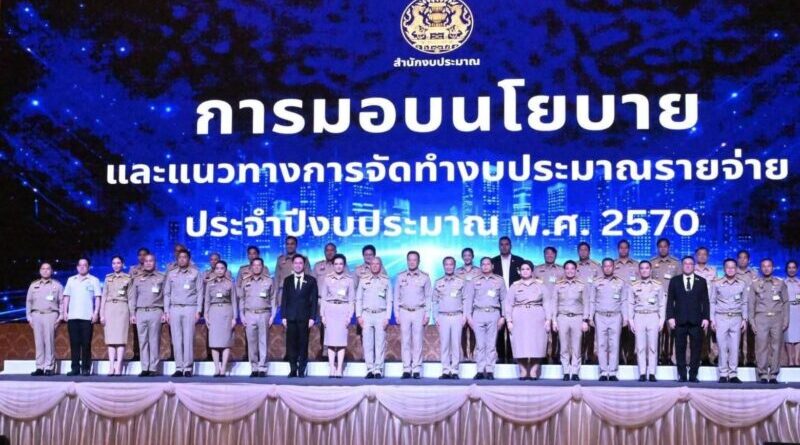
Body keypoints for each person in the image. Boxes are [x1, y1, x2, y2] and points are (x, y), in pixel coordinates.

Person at [666, 256, 710, 383]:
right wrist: (670, 317)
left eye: (690, 263)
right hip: (679, 320)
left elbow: (705, 301)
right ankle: (682, 375)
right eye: (685, 263)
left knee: (696, 349)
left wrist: (706, 318)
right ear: (682, 265)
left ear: (694, 266)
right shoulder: (675, 281)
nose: (688, 265)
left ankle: (693, 375)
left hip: (696, 321)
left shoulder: (701, 281)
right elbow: (670, 301)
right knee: (680, 349)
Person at [505, 260, 550, 380]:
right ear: (519, 271)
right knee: (520, 344)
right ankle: (523, 370)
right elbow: (508, 304)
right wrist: (509, 320)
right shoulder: (514, 286)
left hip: (537, 316)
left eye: (527, 269)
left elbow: (547, 302)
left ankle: (534, 370)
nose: (525, 271)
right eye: (523, 269)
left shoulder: (540, 285)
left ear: (532, 271)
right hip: (519, 316)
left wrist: (548, 319)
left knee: (537, 344)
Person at [164, 249, 204, 377]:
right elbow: (166, 293)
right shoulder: (171, 274)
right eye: (180, 257)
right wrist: (166, 311)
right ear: (177, 259)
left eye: (184, 257)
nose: (182, 259)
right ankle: (178, 367)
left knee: (188, 339)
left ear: (188, 259)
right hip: (174, 308)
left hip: (190, 308)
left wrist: (199, 310)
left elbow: (200, 292)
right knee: (176, 339)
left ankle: (188, 368)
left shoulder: (195, 273)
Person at [709, 258, 750, 383]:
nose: (730, 269)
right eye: (728, 267)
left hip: (736, 318)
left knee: (734, 347)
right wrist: (712, 319)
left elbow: (744, 302)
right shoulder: (717, 283)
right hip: (721, 317)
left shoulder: (742, 284)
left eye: (733, 267)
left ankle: (733, 374)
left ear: (736, 269)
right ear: (724, 269)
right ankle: (723, 373)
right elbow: (712, 301)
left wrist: (744, 319)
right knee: (722, 347)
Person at [466, 257, 507, 380]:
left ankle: (489, 370)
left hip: (494, 314)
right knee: (480, 344)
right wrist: (469, 316)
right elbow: (469, 299)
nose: (485, 266)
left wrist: (503, 316)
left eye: (488, 264)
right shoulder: (474, 281)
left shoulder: (499, 280)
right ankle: (480, 370)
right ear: (480, 266)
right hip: (478, 313)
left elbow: (504, 299)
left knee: (491, 344)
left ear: (492, 266)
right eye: (483, 264)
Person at [750, 258, 789, 384]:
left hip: (777, 318)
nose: (766, 268)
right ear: (761, 268)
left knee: (776, 347)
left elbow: (786, 303)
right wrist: (752, 321)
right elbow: (751, 304)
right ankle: (762, 373)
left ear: (772, 267)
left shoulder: (780, 283)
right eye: (764, 266)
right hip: (761, 318)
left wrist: (786, 320)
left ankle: (773, 374)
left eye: (769, 266)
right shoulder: (755, 284)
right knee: (761, 347)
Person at [394, 251, 433, 379]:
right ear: (407, 261)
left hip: (419, 311)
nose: (412, 262)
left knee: (417, 341)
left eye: (414, 260)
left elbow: (428, 297)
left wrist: (427, 314)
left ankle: (416, 369)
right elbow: (396, 296)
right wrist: (396, 314)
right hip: (404, 311)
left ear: (418, 261)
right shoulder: (400, 276)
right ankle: (406, 368)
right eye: (409, 260)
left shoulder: (425, 277)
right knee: (405, 341)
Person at [552, 260, 592, 381]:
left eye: (572, 268)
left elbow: (586, 303)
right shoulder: (558, 285)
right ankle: (565, 371)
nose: (570, 271)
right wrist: (554, 320)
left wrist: (585, 320)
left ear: (575, 270)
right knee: (564, 346)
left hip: (577, 318)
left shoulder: (582, 285)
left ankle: (575, 371)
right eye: (567, 268)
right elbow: (554, 303)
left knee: (576, 346)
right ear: (564, 270)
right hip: (562, 317)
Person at [127, 253, 166, 377]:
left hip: (156, 311)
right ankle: (144, 367)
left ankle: (153, 368)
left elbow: (166, 296)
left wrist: (165, 312)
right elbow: (133, 297)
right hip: (140, 312)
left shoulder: (161, 277)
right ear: (143, 263)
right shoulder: (137, 278)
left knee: (154, 340)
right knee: (143, 341)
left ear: (155, 262)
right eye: (146, 261)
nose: (148, 263)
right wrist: (132, 313)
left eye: (151, 261)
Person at [591, 258, 629, 381]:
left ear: (613, 267)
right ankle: (603, 371)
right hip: (600, 316)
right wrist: (590, 317)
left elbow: (624, 301)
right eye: (605, 266)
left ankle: (612, 372)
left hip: (615, 316)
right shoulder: (596, 282)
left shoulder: (621, 282)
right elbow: (592, 301)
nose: (607, 268)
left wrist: (625, 318)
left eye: (610, 266)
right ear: (602, 268)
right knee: (601, 344)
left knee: (614, 344)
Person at [63, 257, 102, 376]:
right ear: (77, 267)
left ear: (88, 267)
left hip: (87, 317)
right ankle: (75, 368)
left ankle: (86, 368)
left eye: (84, 265)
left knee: (86, 344)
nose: (82, 267)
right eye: (80, 265)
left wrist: (96, 313)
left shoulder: (94, 280)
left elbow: (97, 297)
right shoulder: (71, 280)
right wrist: (65, 312)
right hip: (73, 316)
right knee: (74, 343)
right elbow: (66, 296)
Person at [238, 257, 276, 377]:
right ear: (251, 267)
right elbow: (242, 299)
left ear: (262, 267)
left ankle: (262, 368)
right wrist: (241, 315)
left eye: (259, 265)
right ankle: (254, 367)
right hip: (249, 314)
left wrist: (273, 316)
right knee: (251, 342)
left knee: (263, 341)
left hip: (264, 313)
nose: (257, 267)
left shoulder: (269, 281)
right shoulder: (245, 281)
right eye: (254, 265)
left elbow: (273, 299)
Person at [281, 255, 318, 378]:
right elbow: (284, 299)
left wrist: (312, 317)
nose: (298, 265)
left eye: (300, 263)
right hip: (290, 317)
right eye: (296, 263)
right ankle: (293, 369)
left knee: (303, 344)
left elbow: (314, 300)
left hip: (305, 317)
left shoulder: (311, 280)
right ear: (292, 265)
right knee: (291, 344)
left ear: (304, 265)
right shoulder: (287, 280)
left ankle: (301, 370)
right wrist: (283, 316)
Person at [319, 254, 356, 378]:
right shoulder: (327, 278)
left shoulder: (349, 280)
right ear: (333, 265)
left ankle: (339, 368)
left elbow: (351, 300)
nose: (338, 266)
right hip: (330, 310)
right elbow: (323, 298)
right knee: (330, 341)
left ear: (344, 265)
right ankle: (331, 368)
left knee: (341, 342)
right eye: (336, 264)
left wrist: (350, 315)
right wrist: (322, 315)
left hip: (343, 310)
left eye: (341, 264)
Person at [628, 260, 665, 382]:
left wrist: (662, 319)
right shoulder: (634, 286)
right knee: (640, 347)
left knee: (653, 347)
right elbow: (630, 303)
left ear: (650, 270)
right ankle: (642, 373)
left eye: (647, 268)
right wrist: (631, 320)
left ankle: (652, 373)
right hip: (639, 316)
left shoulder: (658, 285)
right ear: (639, 271)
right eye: (642, 268)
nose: (644, 270)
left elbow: (662, 303)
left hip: (653, 316)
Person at [356, 257, 392, 379]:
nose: (375, 266)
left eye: (377, 264)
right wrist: (359, 315)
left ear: (381, 266)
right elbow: (359, 298)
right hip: (366, 314)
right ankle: (370, 369)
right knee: (367, 343)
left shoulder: (386, 280)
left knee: (380, 343)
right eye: (373, 264)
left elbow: (389, 300)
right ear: (369, 265)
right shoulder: (363, 279)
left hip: (381, 314)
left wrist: (388, 317)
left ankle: (378, 369)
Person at [25, 262, 64, 376]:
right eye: (43, 269)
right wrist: (29, 316)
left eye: (48, 269)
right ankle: (39, 367)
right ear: (40, 271)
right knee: (38, 342)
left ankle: (49, 367)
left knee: (49, 341)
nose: (45, 271)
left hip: (50, 315)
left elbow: (62, 302)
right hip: (36, 315)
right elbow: (28, 302)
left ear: (51, 271)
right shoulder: (33, 285)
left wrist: (61, 316)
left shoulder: (57, 285)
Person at [433, 256, 468, 379]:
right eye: (446, 264)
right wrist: (435, 317)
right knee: (444, 345)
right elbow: (435, 301)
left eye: (451, 264)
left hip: (457, 316)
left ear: (454, 266)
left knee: (456, 344)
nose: (449, 267)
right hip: (443, 317)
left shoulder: (461, 281)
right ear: (443, 266)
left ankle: (455, 371)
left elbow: (465, 299)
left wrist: (465, 316)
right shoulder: (438, 282)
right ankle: (446, 370)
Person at [491, 236, 525, 365]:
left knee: (514, 329)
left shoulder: (519, 261)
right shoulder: (493, 261)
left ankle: (512, 356)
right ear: (498, 246)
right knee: (499, 329)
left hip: (515, 300)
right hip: (497, 300)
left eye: (506, 244)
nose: (504, 247)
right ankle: (500, 356)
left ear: (511, 246)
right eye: (502, 244)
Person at [313, 242, 349, 359]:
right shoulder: (318, 266)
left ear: (336, 251)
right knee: (324, 327)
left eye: (332, 250)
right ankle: (325, 351)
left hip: (339, 302)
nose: (329, 252)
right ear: (324, 252)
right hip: (321, 301)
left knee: (339, 328)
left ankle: (339, 351)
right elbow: (312, 284)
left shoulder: (342, 266)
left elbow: (349, 284)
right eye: (327, 250)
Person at [203, 260, 237, 377]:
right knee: (214, 342)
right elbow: (207, 300)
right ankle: (217, 368)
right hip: (213, 312)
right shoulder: (210, 283)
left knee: (226, 341)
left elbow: (234, 301)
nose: (219, 270)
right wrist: (206, 315)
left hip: (227, 311)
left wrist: (234, 317)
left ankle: (223, 368)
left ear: (225, 270)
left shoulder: (230, 283)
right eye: (217, 268)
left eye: (222, 268)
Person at [100, 256, 133, 376]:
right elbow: (104, 296)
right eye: (114, 263)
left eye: (118, 263)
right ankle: (111, 366)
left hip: (122, 308)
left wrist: (132, 314)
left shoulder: (128, 278)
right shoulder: (108, 278)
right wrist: (101, 313)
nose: (116, 265)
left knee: (120, 339)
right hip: (109, 308)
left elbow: (131, 297)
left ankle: (118, 366)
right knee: (110, 340)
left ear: (122, 264)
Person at [650, 238, 679, 366]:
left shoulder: (676, 263)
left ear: (669, 247)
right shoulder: (652, 263)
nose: (663, 249)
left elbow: (679, 283)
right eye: (660, 246)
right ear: (657, 248)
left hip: (672, 301)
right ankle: (656, 356)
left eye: (665, 246)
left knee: (671, 329)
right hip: (655, 302)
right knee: (657, 330)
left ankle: (669, 356)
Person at [535, 246, 563, 363]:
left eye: (552, 254)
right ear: (544, 255)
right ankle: (543, 355)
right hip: (541, 305)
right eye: (547, 253)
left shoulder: (561, 270)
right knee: (542, 331)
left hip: (557, 305)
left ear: (555, 255)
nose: (549, 255)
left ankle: (556, 355)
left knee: (557, 331)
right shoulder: (537, 270)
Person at [614, 239, 638, 366]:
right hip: (617, 304)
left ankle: (630, 357)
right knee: (618, 332)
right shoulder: (612, 264)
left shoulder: (636, 265)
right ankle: (619, 357)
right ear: (618, 249)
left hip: (633, 303)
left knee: (632, 331)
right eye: (621, 248)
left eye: (625, 248)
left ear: (629, 249)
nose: (623, 250)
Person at [576, 242, 601, 366]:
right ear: (578, 251)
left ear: (589, 251)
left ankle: (590, 356)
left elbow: (601, 284)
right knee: (578, 333)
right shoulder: (573, 266)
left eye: (585, 250)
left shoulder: (596, 266)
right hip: (577, 304)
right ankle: (578, 356)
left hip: (592, 303)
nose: (583, 252)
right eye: (581, 250)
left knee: (591, 331)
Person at [694, 247, 718, 366]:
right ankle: (696, 357)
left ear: (708, 256)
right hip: (695, 305)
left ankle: (708, 357)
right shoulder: (691, 269)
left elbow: (716, 288)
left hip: (710, 304)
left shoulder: (713, 270)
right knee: (697, 332)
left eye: (705, 254)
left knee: (709, 333)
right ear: (695, 256)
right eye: (700, 254)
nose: (702, 256)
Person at [455, 247, 480, 361]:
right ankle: (465, 355)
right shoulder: (457, 272)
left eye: (469, 255)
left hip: (475, 304)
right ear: (462, 257)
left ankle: (472, 354)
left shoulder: (479, 271)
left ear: (472, 257)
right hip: (461, 304)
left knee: (474, 330)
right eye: (465, 255)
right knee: (463, 330)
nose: (467, 257)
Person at [737, 250, 758, 366]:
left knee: (751, 334)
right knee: (737, 335)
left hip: (752, 308)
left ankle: (750, 359)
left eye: (745, 258)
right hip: (737, 308)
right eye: (740, 257)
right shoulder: (733, 272)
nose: (742, 260)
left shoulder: (754, 274)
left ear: (748, 260)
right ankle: (739, 358)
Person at [784, 260, 800, 366]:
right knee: (788, 336)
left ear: (797, 269)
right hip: (788, 310)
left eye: (793, 267)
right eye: (789, 267)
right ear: (786, 269)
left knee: (798, 336)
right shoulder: (783, 283)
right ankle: (790, 360)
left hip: (798, 310)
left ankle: (797, 359)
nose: (791, 270)